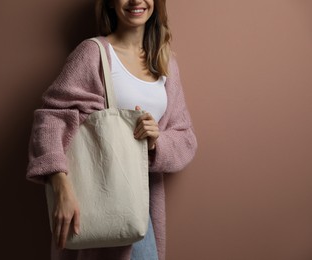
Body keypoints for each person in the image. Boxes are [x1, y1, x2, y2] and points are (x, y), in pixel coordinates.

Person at [26, 0, 197, 259]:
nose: (136, 0)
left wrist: (155, 142)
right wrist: (60, 185)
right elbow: (51, 119)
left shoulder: (165, 62)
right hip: (101, 202)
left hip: (142, 208)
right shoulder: (93, 53)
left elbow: (185, 138)